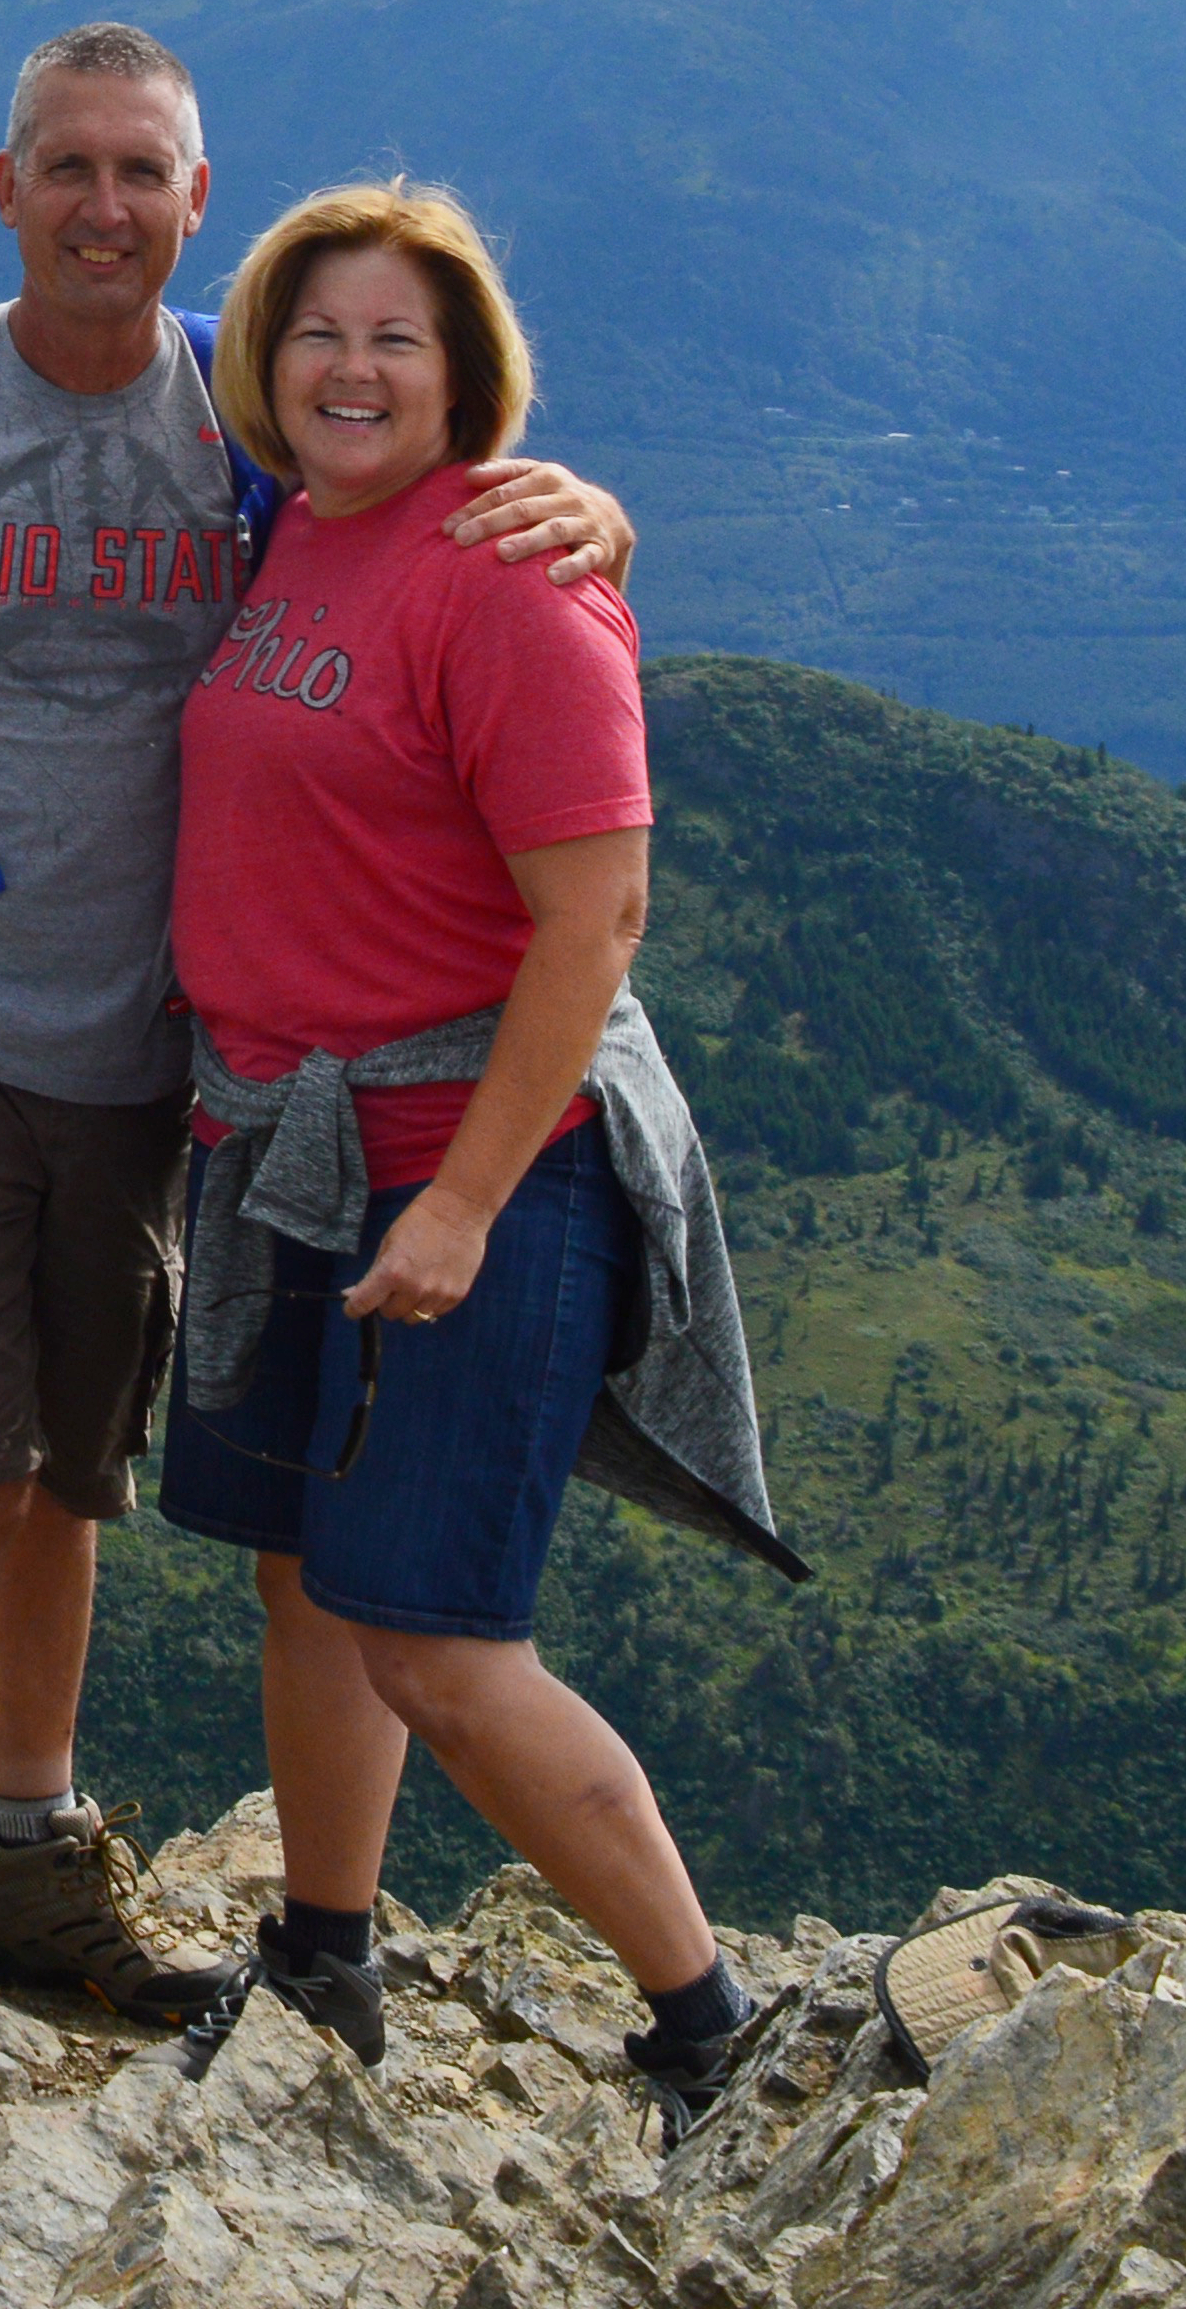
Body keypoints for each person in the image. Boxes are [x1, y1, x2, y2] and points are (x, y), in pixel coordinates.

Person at [0, 28, 632, 2022]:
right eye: (68, 166)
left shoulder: (244, 420)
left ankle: (26, 1853)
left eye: (141, 171)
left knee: (69, 1475)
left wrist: (580, 507)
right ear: (5, 184)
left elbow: (424, 512)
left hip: (156, 1058)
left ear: (193, 201)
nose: (104, 205)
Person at [152, 180, 803, 2118]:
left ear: (465, 377)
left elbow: (592, 922)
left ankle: (708, 2025)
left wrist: (458, 1198)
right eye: (316, 334)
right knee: (302, 1577)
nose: (349, 369)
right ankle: (321, 1952)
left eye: (395, 341)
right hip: (281, 1142)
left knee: (433, 1631)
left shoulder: (509, 575)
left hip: (464, 1162)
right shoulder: (296, 532)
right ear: (264, 358)